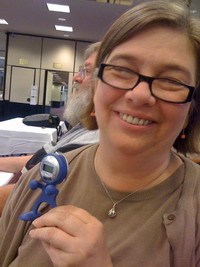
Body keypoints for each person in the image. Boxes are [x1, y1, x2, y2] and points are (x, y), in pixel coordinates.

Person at [1, 1, 200, 266]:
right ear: (96, 87)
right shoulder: (41, 179)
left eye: (171, 81)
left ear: (191, 109)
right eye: (123, 70)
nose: (139, 95)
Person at [0, 42, 100, 215]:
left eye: (87, 71)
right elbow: (37, 160)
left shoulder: (93, 142)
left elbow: (29, 197)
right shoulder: (84, 126)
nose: (76, 77)